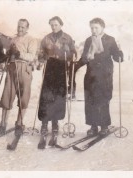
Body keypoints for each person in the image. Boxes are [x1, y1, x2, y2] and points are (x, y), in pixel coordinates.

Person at [77, 17, 123, 136]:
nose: (93, 30)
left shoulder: (110, 40)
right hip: (91, 74)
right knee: (90, 100)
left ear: (102, 27)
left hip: (104, 74)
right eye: (92, 27)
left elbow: (116, 57)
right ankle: (93, 126)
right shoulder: (88, 40)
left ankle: (104, 126)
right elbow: (84, 58)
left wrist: (120, 55)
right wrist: (76, 64)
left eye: (96, 27)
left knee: (103, 99)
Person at [37, 16, 76, 149]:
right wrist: (42, 58)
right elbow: (40, 53)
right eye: (52, 25)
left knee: (58, 98)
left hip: (60, 69)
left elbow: (74, 53)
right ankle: (44, 125)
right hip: (49, 69)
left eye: (56, 25)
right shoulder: (46, 38)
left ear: (61, 24)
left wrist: (69, 53)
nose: (53, 27)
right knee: (46, 98)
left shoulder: (67, 38)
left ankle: (55, 125)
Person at [0, 19, 37, 136]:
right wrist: (9, 54)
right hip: (12, 68)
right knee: (7, 95)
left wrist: (19, 54)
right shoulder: (13, 39)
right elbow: (9, 53)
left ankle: (19, 123)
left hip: (24, 68)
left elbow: (32, 56)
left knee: (23, 97)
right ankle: (3, 124)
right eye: (19, 27)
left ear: (27, 28)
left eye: (23, 27)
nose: (20, 29)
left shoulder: (31, 40)